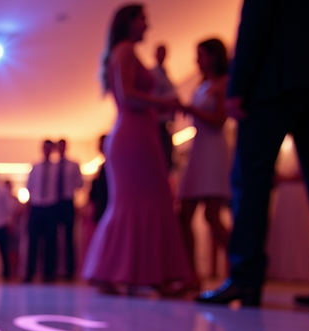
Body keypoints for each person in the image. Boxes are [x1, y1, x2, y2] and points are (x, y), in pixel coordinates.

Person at [197, 0, 309, 308]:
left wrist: (237, 87)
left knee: (251, 179)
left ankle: (246, 277)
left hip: (271, 82)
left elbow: (255, 23)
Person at [81, 4, 192, 295]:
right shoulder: (125, 50)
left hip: (138, 132)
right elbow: (128, 94)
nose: (147, 25)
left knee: (141, 202)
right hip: (134, 134)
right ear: (129, 22)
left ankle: (138, 274)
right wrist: (167, 103)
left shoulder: (122, 52)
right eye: (143, 19)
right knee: (145, 201)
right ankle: (147, 275)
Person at [178, 38, 232, 283]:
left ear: (214, 56)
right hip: (198, 150)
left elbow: (220, 119)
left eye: (201, 55)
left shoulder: (224, 83)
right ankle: (191, 275)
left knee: (212, 215)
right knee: (184, 214)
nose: (197, 60)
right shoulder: (201, 86)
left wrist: (191, 110)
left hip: (213, 151)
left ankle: (240, 265)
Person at [25, 140, 60, 283]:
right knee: (33, 241)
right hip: (37, 206)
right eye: (45, 148)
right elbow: (29, 187)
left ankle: (49, 274)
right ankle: (30, 272)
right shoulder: (35, 167)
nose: (47, 151)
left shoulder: (57, 168)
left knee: (50, 242)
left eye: (49, 148)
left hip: (51, 206)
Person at [55, 139, 84, 280]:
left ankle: (70, 271)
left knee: (69, 238)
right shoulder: (53, 166)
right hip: (54, 203)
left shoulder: (73, 164)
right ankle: (54, 270)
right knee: (54, 239)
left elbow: (80, 184)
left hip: (68, 202)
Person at [150, 44, 176, 171]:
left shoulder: (164, 73)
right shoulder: (154, 74)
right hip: (159, 123)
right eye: (160, 52)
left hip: (166, 122)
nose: (162, 56)